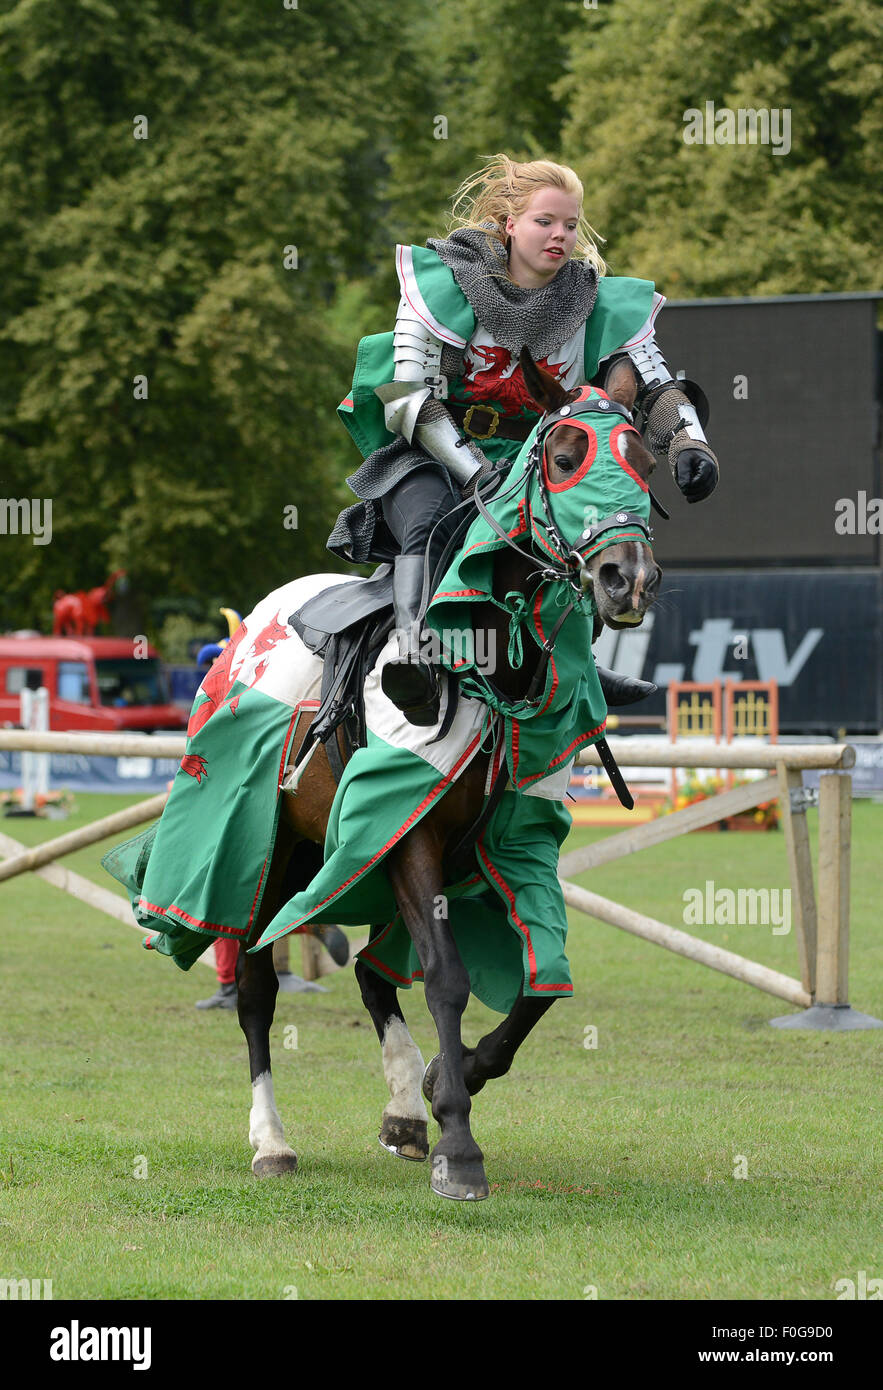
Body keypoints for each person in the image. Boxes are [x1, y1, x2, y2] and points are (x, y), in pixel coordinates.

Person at [332, 153, 719, 725]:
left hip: (537, 454)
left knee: (589, 517)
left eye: (570, 224)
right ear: (510, 223)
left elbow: (656, 384)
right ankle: (415, 652)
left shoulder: (595, 299)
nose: (560, 235)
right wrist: (471, 470)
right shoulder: (441, 285)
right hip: (434, 449)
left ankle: (579, 660)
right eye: (545, 221)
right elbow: (404, 395)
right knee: (429, 518)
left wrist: (690, 443)